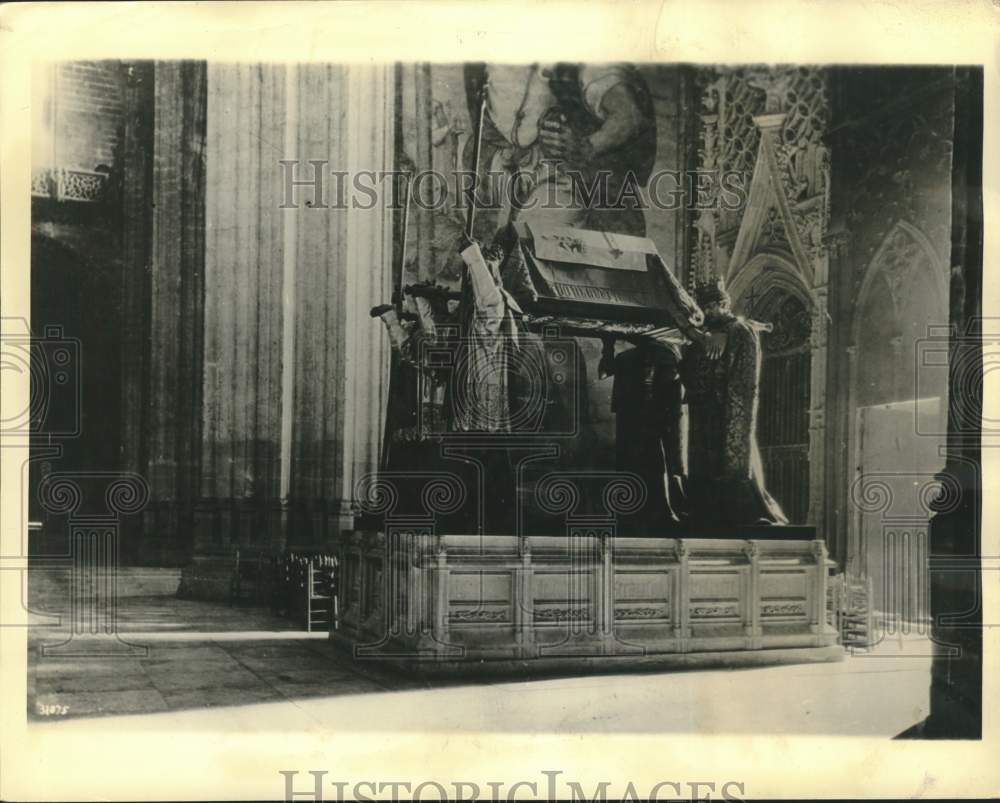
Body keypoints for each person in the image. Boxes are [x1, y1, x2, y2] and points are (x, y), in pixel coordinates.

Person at [464, 63, 656, 237]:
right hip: (500, 171)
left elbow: (629, 117)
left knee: (534, 245)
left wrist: (586, 146)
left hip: (560, 176)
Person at [680, 278, 789, 527]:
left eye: (712, 306)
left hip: (726, 407)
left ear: (724, 305)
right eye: (704, 307)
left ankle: (745, 511)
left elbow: (743, 371)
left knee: (730, 461)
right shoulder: (708, 333)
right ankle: (707, 511)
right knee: (703, 460)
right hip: (703, 406)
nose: (708, 312)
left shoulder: (738, 330)